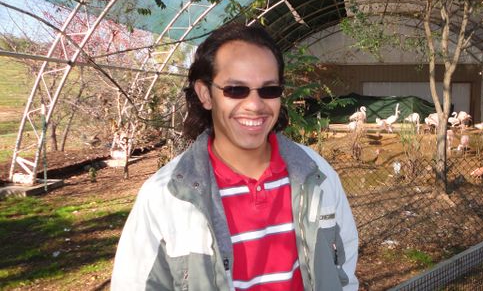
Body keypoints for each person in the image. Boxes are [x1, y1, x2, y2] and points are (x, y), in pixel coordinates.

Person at [111, 23, 359, 291]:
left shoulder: (316, 175)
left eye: (269, 90)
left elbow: (343, 267)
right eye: (235, 90)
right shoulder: (167, 196)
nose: (255, 105)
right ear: (205, 94)